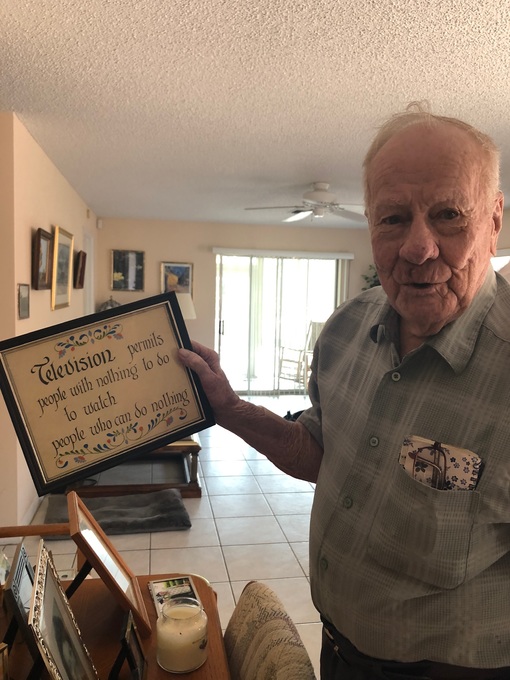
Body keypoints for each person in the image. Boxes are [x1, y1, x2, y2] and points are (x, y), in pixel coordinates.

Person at [179, 102, 510, 679]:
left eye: (448, 215)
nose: (418, 247)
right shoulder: (345, 330)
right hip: (339, 649)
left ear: (494, 219)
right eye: (393, 218)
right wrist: (229, 409)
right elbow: (319, 453)